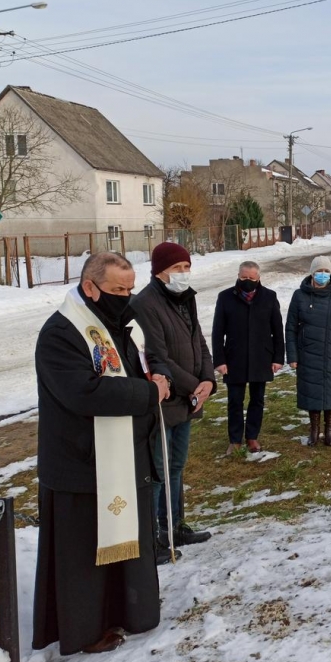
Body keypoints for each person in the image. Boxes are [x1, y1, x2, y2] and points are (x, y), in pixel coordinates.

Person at [33, 251, 170, 655]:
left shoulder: (117, 323)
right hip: (82, 464)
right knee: (84, 558)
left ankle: (127, 612)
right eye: (116, 289)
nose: (125, 297)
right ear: (89, 287)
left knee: (125, 543)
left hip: (124, 458)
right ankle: (85, 630)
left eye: (129, 289)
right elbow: (83, 391)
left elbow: (136, 364)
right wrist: (149, 392)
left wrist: (154, 376)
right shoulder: (62, 332)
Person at [129, 242, 216, 564]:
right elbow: (157, 356)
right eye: (177, 268)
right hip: (163, 399)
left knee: (176, 467)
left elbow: (200, 342)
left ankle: (174, 526)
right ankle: (152, 537)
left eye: (186, 267)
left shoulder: (185, 298)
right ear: (159, 271)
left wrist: (208, 381)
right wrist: (195, 385)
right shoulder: (146, 303)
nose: (183, 273)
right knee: (158, 471)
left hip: (189, 399)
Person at [211, 260, 285, 455]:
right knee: (235, 400)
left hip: (261, 358)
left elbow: (278, 330)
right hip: (234, 358)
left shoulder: (269, 297)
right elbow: (217, 331)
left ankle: (252, 436)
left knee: (257, 399)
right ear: (238, 276)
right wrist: (219, 360)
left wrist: (278, 358)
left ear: (258, 278)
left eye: (252, 278)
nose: (248, 281)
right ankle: (235, 440)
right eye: (244, 277)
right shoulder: (225, 297)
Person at [285, 255, 331, 446]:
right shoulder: (299, 295)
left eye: (326, 271)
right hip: (308, 353)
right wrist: (292, 355)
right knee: (311, 392)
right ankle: (314, 430)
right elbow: (291, 327)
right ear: (312, 273)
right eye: (319, 271)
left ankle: (329, 430)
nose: (323, 275)